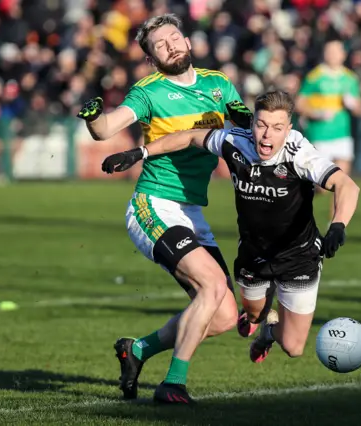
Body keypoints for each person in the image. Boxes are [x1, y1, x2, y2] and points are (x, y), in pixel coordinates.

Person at [102, 89, 360, 371]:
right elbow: (190, 136)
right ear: (251, 123)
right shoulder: (235, 141)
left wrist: (338, 225)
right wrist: (140, 152)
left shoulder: (300, 155)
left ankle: (269, 334)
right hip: (254, 253)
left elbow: (346, 185)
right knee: (252, 314)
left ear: (289, 129)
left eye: (276, 128)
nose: (266, 135)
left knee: (294, 347)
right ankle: (259, 321)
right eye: (261, 125)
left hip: (298, 256)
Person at [76, 14, 254, 405]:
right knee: (210, 286)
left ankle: (137, 349)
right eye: (161, 44)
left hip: (192, 210)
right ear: (153, 59)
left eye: (175, 38)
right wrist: (94, 119)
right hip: (153, 205)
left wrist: (245, 123)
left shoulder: (218, 84)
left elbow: (241, 127)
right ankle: (173, 383)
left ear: (188, 42)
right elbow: (108, 129)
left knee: (223, 314)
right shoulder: (148, 91)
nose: (171, 46)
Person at [295, 40, 360, 221]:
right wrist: (316, 113)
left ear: (343, 55)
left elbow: (358, 106)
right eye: (329, 51)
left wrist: (353, 103)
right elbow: (300, 103)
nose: (333, 55)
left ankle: (336, 225)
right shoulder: (315, 76)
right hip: (320, 135)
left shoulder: (350, 78)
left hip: (342, 134)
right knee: (323, 187)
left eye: (336, 51)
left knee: (342, 182)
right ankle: (300, 197)